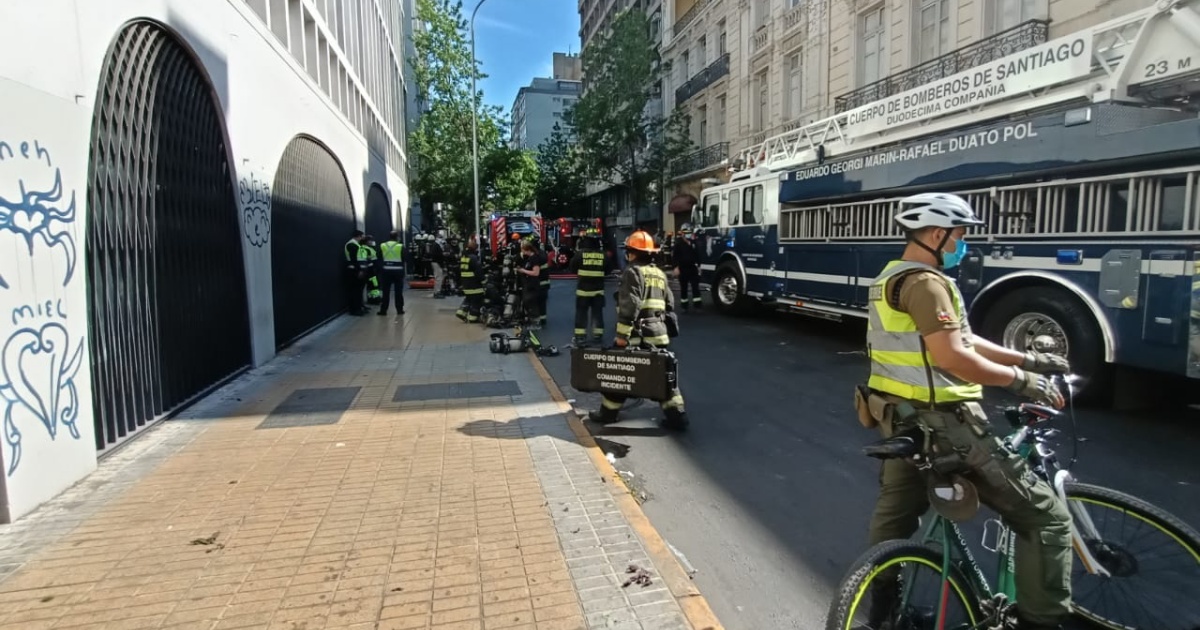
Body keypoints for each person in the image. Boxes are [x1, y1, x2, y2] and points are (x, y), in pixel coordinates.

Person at [861, 192, 1072, 630]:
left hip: (900, 418)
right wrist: (1022, 382)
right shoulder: (926, 283)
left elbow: (965, 340)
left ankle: (883, 611)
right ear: (937, 234)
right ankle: (1040, 622)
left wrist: (1026, 359)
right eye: (959, 235)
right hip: (947, 426)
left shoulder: (890, 278)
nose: (963, 244)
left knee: (894, 519)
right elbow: (954, 357)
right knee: (1046, 518)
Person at [587, 231, 687, 430]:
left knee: (619, 371)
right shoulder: (659, 273)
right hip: (659, 334)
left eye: (629, 251)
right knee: (663, 375)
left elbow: (629, 306)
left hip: (638, 335)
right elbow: (669, 304)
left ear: (632, 253)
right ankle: (677, 417)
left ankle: (607, 413)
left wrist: (622, 336)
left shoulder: (633, 272)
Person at [570, 227, 607, 346]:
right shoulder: (603, 255)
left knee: (581, 313)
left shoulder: (580, 254)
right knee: (597, 313)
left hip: (583, 291)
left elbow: (572, 268)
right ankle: (598, 335)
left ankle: (580, 336)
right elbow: (609, 269)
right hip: (598, 290)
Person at [515, 238, 547, 329]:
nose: (521, 251)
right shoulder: (530, 258)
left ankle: (536, 324)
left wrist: (523, 270)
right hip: (530, 285)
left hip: (533, 285)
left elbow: (536, 273)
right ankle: (533, 322)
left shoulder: (534, 258)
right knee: (528, 302)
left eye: (522, 249)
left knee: (532, 303)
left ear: (527, 249)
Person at [672, 224, 702, 311]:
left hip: (692, 268)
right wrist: (675, 267)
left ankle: (697, 305)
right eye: (686, 232)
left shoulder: (693, 243)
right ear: (682, 233)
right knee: (684, 288)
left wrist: (699, 266)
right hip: (683, 268)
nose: (688, 234)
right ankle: (684, 305)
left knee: (695, 287)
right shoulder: (678, 244)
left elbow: (697, 255)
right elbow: (675, 257)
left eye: (689, 232)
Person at [456, 235, 484, 323]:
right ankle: (473, 317)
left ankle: (461, 312)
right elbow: (479, 272)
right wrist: (484, 281)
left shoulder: (464, 257)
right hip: (474, 284)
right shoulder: (474, 258)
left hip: (465, 283)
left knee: (468, 298)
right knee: (476, 299)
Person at [377, 230, 406, 316]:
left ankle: (383, 310)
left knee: (385, 291)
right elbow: (405, 258)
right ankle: (399, 310)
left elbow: (379, 258)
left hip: (386, 271)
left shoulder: (382, 245)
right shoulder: (400, 246)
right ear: (397, 237)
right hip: (398, 272)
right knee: (398, 291)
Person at [343, 229, 368, 316]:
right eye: (362, 236)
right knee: (355, 291)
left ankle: (359, 307)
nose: (363, 238)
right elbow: (354, 259)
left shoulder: (356, 245)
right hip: (354, 271)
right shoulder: (352, 245)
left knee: (358, 291)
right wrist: (360, 270)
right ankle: (355, 309)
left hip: (357, 270)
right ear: (358, 236)